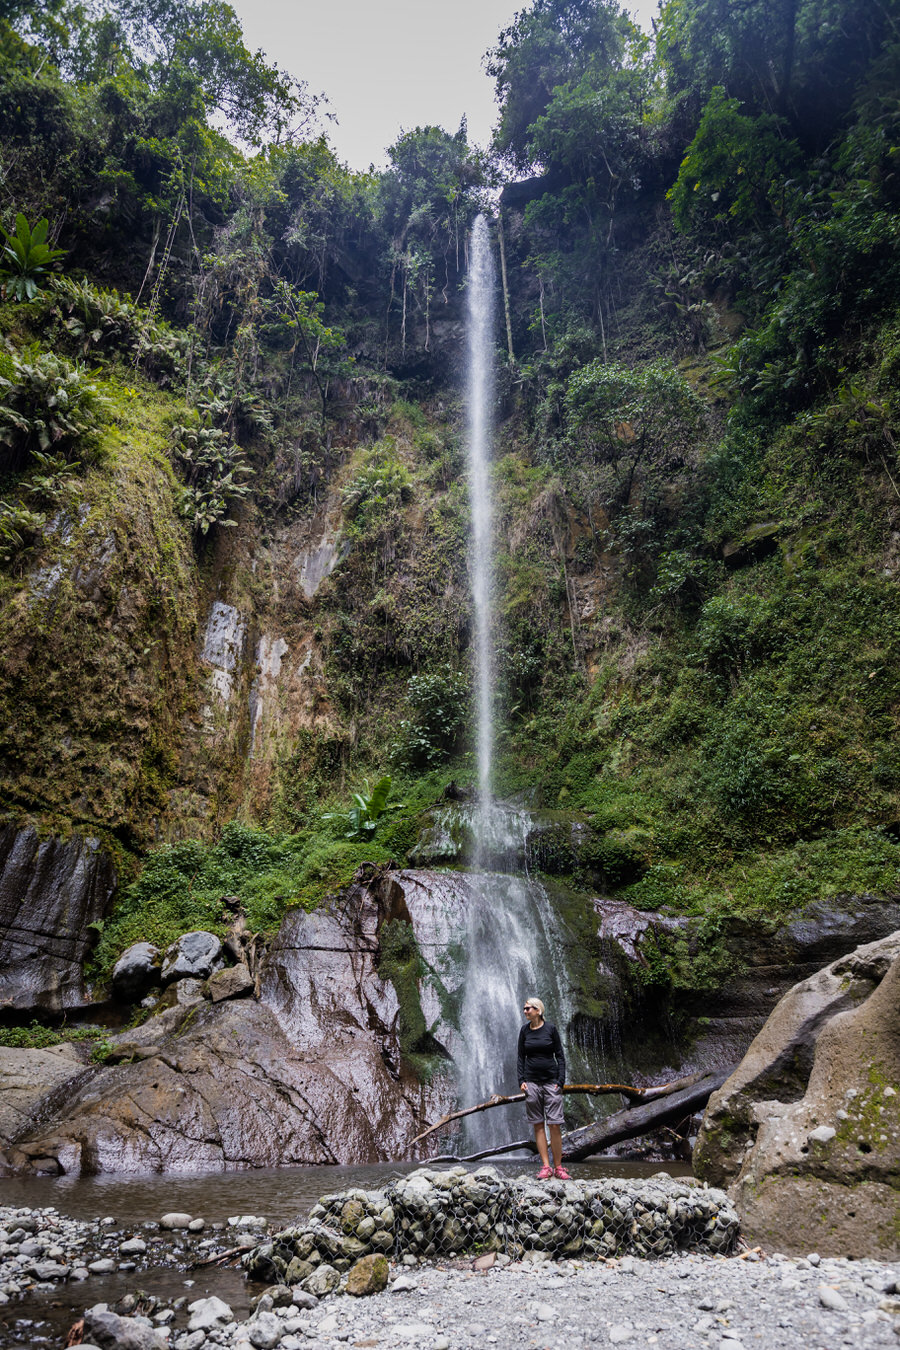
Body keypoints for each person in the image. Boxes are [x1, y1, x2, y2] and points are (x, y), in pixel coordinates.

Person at [517, 997, 571, 1181]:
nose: (525, 1011)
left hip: (551, 1082)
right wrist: (521, 1080)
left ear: (538, 1010)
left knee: (554, 1124)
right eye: (524, 1008)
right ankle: (546, 1167)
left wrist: (561, 1081)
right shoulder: (524, 1031)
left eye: (528, 1008)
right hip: (531, 1083)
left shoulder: (551, 1029)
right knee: (538, 1125)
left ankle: (559, 1167)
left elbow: (560, 1056)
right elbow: (520, 1057)